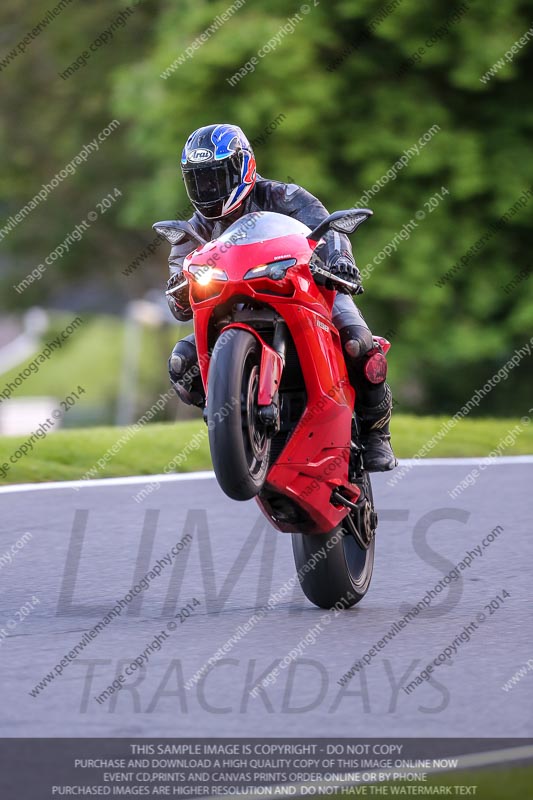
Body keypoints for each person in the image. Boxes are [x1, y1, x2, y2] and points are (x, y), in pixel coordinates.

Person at [165, 123, 396, 472]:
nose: (208, 189)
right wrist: (180, 291)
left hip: (305, 290)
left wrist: (341, 261)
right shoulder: (193, 229)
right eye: (199, 180)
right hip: (234, 308)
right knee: (182, 363)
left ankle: (377, 434)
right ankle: (231, 422)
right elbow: (179, 278)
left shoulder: (285, 197)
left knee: (357, 344)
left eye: (216, 177)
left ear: (242, 168)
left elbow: (327, 228)